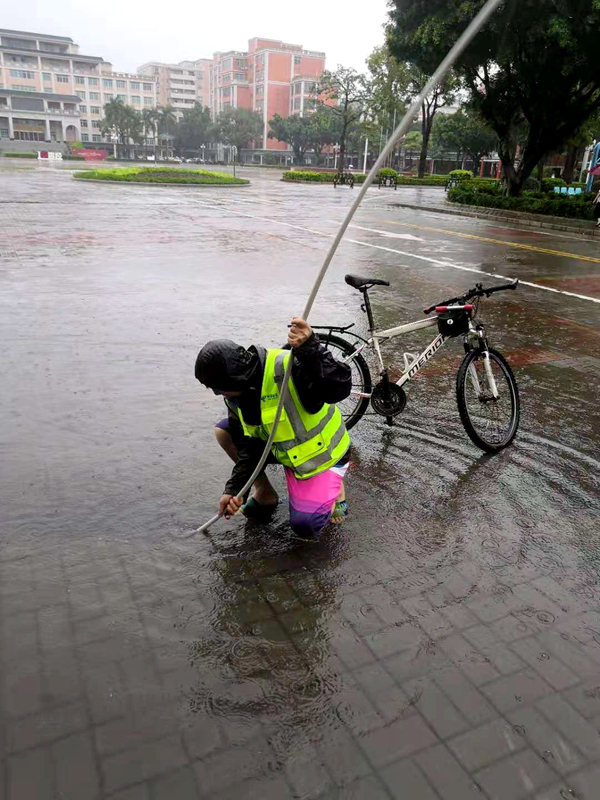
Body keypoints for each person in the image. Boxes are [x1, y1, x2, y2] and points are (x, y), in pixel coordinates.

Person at [195, 318, 352, 538]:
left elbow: (339, 388)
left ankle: (336, 488)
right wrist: (235, 490)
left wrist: (311, 349)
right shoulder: (236, 394)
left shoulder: (288, 369)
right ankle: (265, 493)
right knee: (224, 432)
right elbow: (247, 447)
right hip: (287, 449)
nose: (218, 394)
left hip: (323, 456)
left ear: (234, 380)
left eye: (219, 389)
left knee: (305, 526)